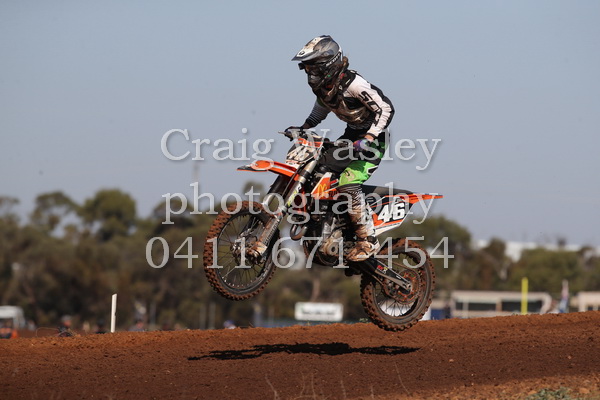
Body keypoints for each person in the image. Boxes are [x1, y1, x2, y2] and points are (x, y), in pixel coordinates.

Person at [287, 35, 395, 261]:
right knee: (316, 167)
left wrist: (368, 137)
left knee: (348, 182)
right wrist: (304, 126)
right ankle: (329, 222)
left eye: (314, 67)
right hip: (351, 136)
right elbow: (322, 108)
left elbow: (385, 108)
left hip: (373, 140)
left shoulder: (354, 85)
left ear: (329, 64)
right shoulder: (325, 88)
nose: (310, 73)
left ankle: (368, 240)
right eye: (307, 68)